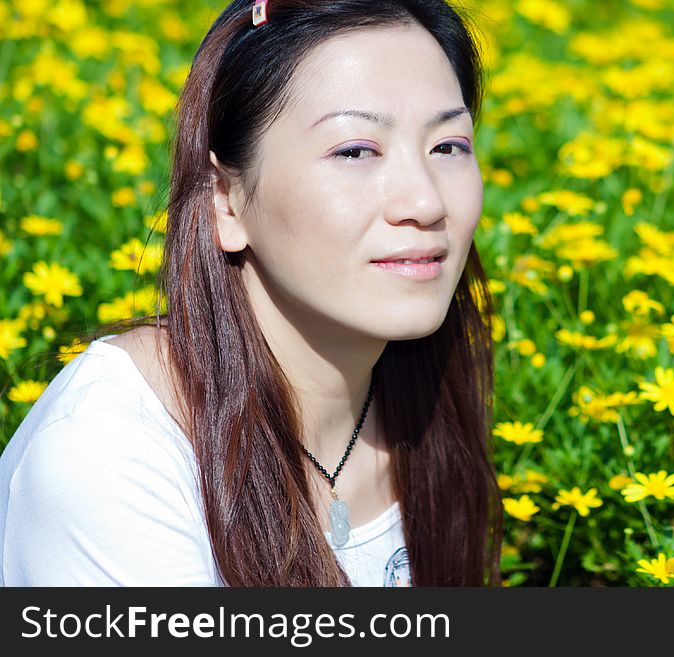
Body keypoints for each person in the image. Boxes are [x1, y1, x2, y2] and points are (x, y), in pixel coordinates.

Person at [0, 0, 502, 587]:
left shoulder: (425, 398)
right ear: (225, 201)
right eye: (356, 151)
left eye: (448, 146)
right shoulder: (111, 453)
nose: (426, 203)